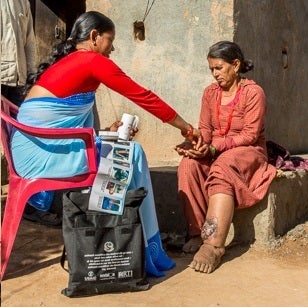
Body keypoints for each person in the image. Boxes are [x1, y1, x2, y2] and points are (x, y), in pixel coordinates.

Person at [11, 11, 202, 276]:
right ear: (94, 37)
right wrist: (186, 128)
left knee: (120, 148)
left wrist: (104, 133)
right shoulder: (92, 61)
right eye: (110, 40)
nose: (113, 48)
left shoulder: (71, 62)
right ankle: (142, 246)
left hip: (35, 148)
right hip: (43, 153)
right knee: (131, 153)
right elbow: (143, 96)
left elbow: (59, 124)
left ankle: (124, 238)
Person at [175, 41, 277, 273]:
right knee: (188, 165)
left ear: (236, 65)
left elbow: (250, 135)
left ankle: (213, 245)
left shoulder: (253, 93)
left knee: (222, 167)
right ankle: (195, 232)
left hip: (248, 151)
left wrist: (215, 148)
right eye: (211, 69)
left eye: (219, 68)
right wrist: (195, 144)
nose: (214, 74)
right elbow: (206, 130)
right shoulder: (210, 93)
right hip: (216, 149)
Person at [1, 0, 37, 106]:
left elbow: (30, 42)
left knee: (17, 119)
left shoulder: (24, 3)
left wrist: (31, 76)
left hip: (20, 79)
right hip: (2, 75)